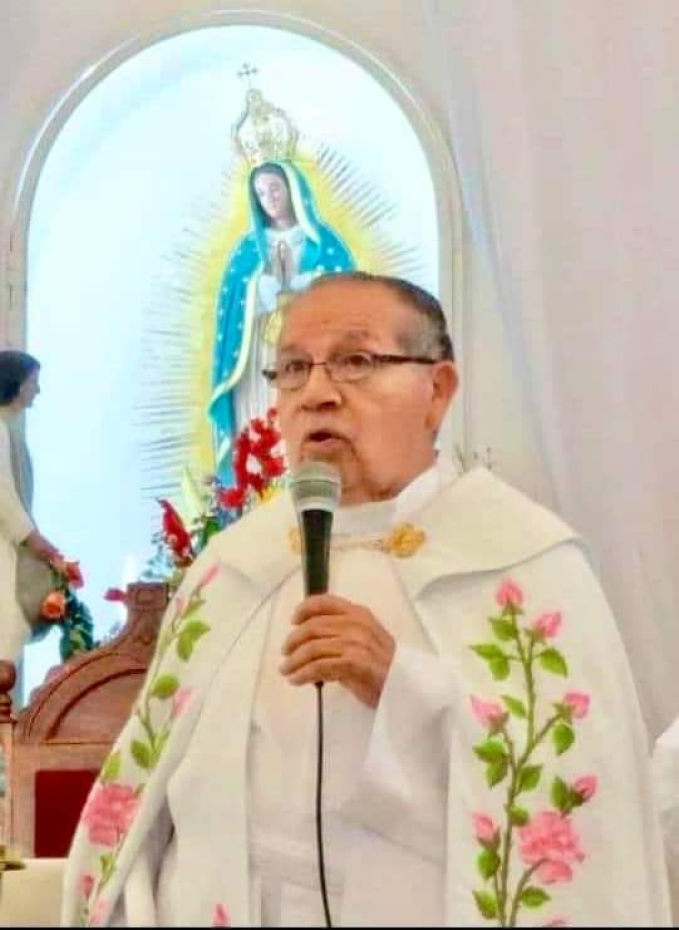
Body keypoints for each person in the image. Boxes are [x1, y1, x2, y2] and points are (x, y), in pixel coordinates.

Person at [62, 273, 670, 926]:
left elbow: (577, 794)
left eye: (355, 360)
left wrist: (399, 684)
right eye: (293, 369)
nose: (316, 394)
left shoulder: (524, 562)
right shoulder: (232, 570)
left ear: (437, 391)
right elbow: (145, 812)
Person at [209, 161, 354, 484]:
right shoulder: (247, 250)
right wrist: (260, 290)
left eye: (275, 188)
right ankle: (262, 489)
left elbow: (350, 296)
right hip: (261, 354)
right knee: (263, 418)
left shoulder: (324, 242)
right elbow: (232, 308)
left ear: (292, 188)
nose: (269, 198)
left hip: (312, 351)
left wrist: (310, 285)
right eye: (261, 193)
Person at [0, 350, 61, 692]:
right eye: (33, 382)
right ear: (15, 384)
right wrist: (32, 537)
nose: (37, 390)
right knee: (9, 626)